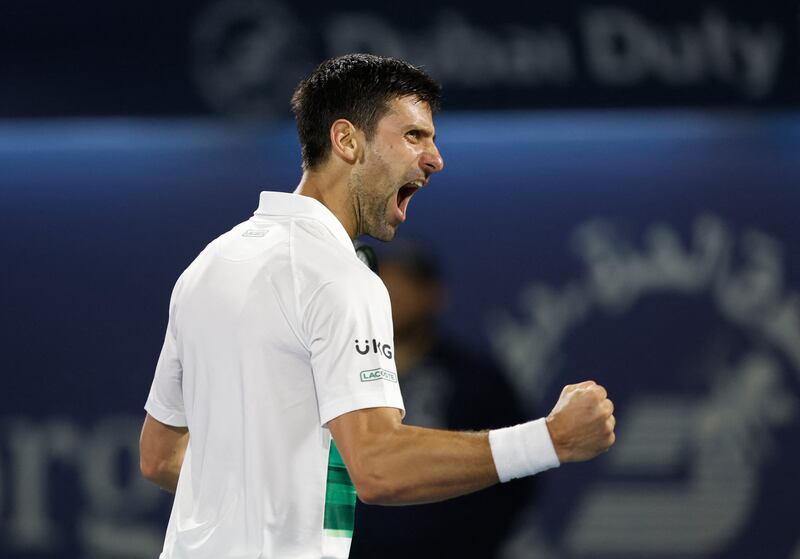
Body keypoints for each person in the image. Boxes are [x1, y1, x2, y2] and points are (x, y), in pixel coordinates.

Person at [139, 53, 616, 559]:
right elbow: (378, 466)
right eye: (414, 136)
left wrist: (273, 497)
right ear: (347, 141)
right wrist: (551, 439)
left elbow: (160, 456)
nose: (435, 159)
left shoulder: (210, 264)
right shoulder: (341, 277)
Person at [350, 240, 536, 558]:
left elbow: (519, 468)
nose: (393, 296)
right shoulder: (341, 375)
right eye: (384, 285)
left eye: (406, 286)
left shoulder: (474, 381)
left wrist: (474, 540)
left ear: (435, 295)